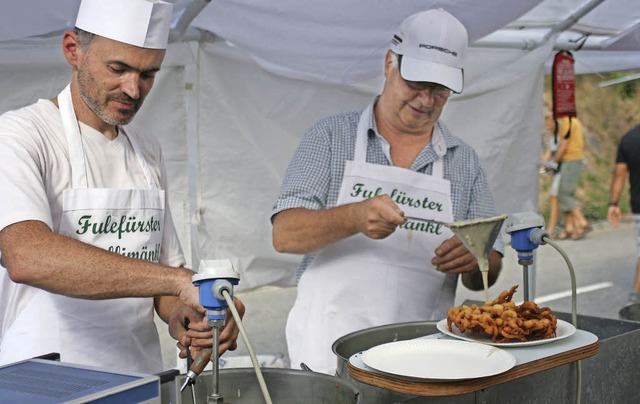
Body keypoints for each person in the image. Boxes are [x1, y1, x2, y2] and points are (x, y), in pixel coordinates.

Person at [0, 0, 244, 374]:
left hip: (136, 376)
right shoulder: (21, 135)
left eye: (148, 74)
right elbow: (27, 256)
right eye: (118, 68)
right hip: (43, 378)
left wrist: (184, 312)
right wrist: (179, 282)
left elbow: (162, 275)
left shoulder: (146, 150)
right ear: (73, 50)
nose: (133, 89)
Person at [271, 9, 503, 374]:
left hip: (423, 359)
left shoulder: (464, 162)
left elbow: (486, 272)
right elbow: (284, 234)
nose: (426, 101)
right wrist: (355, 216)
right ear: (389, 65)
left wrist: (477, 259)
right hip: (326, 355)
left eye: (439, 90)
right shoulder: (331, 138)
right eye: (416, 83)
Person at [608, 124, 640, 301]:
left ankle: (635, 298)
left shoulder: (629, 138)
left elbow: (619, 173)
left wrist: (613, 203)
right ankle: (635, 298)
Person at [545, 116, 590, 240]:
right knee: (565, 193)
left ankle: (582, 222)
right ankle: (569, 227)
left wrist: (553, 163)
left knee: (563, 194)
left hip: (570, 160)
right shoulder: (570, 121)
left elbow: (563, 145)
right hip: (569, 161)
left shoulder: (567, 122)